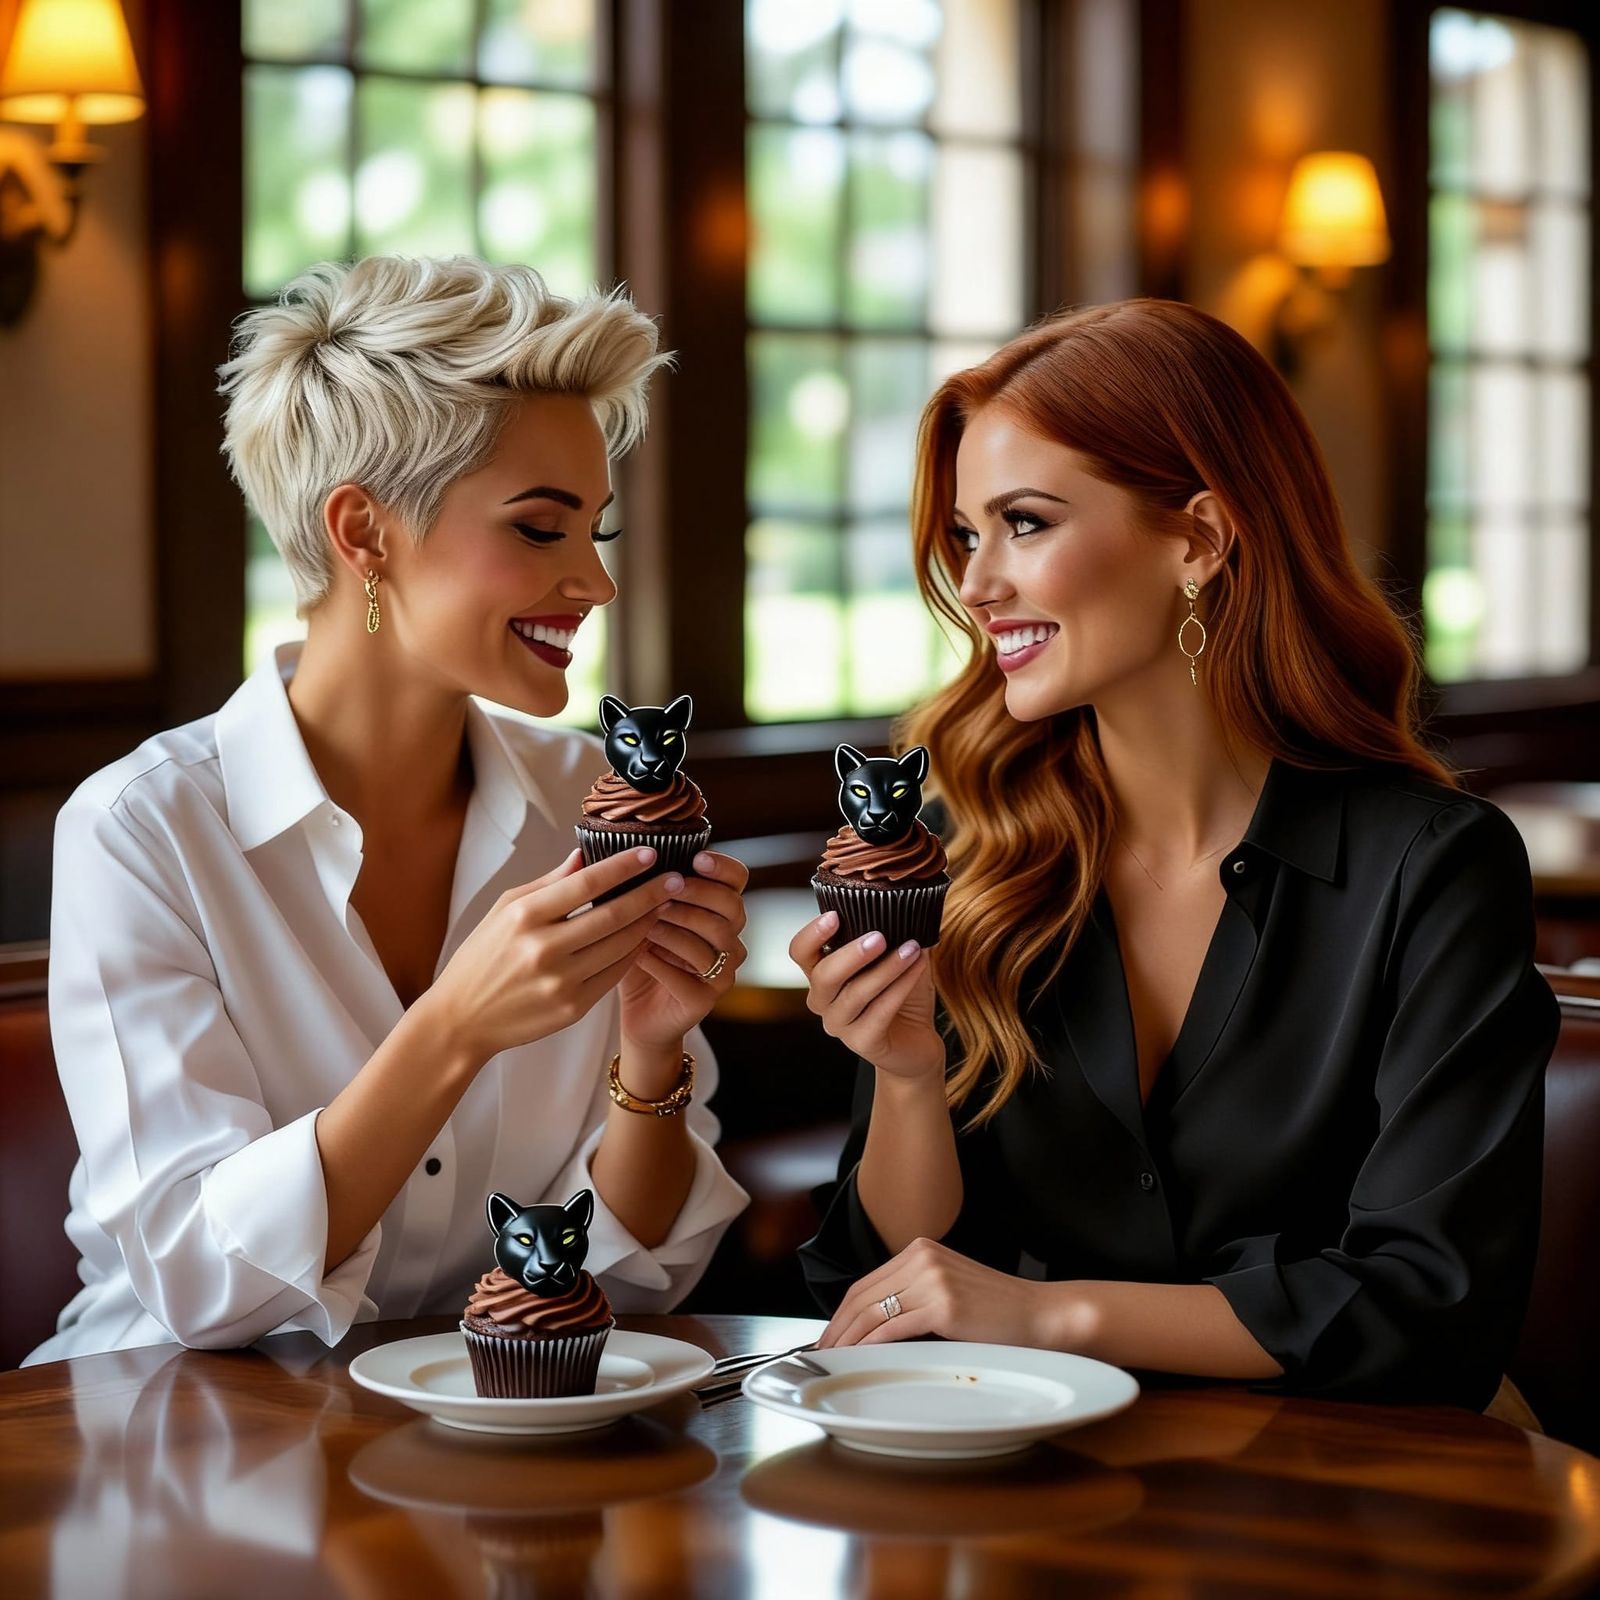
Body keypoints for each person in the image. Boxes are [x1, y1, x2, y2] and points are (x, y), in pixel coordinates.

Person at [792, 299, 1560, 1410]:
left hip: (1347, 1493)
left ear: (1197, 537)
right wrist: (908, 1076)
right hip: (1027, 1480)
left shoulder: (1433, 869)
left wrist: (1057, 1313)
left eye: (1025, 523)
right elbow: (882, 1287)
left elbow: (1429, 1306)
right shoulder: (962, 857)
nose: (978, 583)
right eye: (967, 535)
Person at [28, 256, 749, 1364]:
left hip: (488, 1441)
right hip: (164, 1439)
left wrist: (651, 1058)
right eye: (540, 529)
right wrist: (454, 1025)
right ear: (363, 532)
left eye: (594, 533)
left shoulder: (590, 805)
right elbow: (197, 1281)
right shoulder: (143, 832)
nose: (596, 585)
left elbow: (640, 1276)